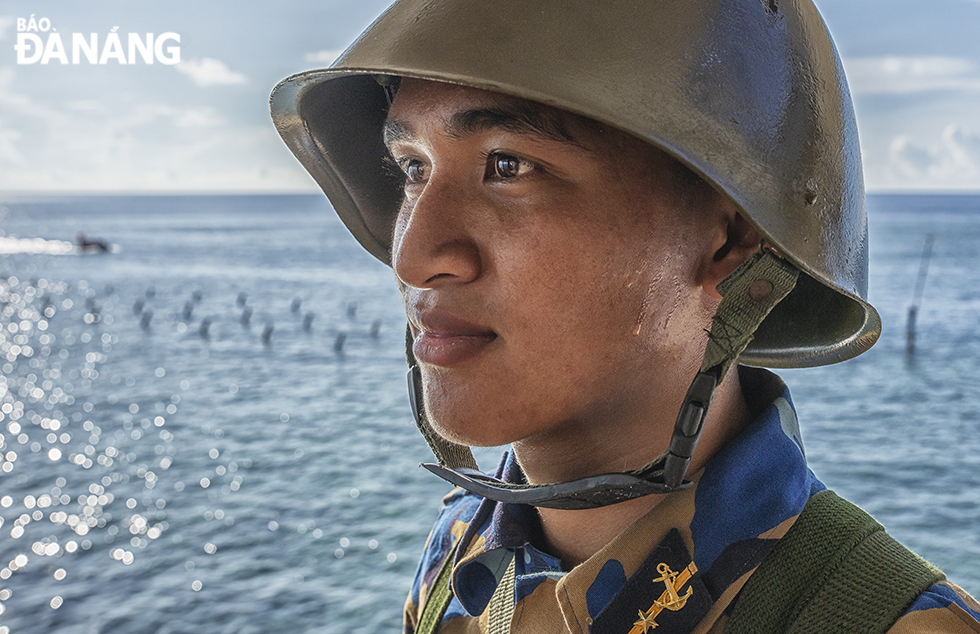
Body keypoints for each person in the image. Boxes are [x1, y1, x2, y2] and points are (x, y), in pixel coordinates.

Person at [271, 1, 980, 632]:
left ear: (730, 243)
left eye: (508, 165)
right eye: (413, 168)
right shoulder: (459, 560)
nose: (416, 256)